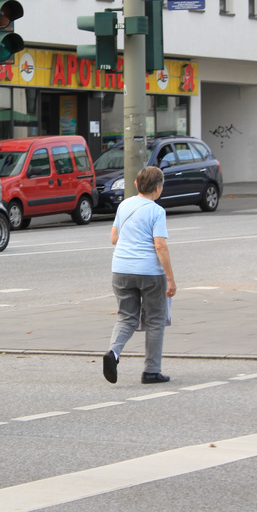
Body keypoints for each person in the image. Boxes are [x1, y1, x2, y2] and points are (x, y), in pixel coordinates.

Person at [103, 165, 177, 386]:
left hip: (121, 269)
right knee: (155, 320)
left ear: (136, 184)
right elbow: (160, 246)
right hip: (149, 272)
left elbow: (114, 238)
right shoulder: (156, 211)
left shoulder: (125, 205)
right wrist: (171, 279)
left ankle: (113, 353)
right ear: (158, 188)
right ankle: (151, 371)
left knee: (126, 316)